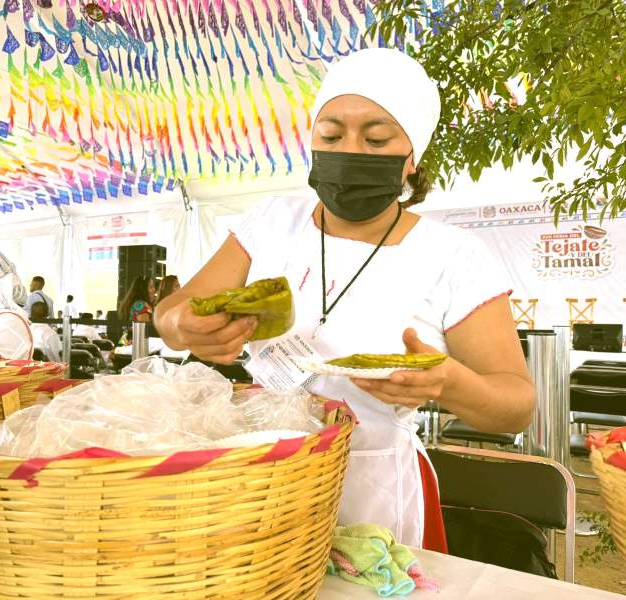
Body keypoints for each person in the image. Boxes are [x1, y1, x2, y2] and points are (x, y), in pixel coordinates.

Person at [155, 49, 535, 552]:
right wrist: (184, 326)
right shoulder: (272, 223)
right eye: (331, 135)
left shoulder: (454, 254)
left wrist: (449, 382)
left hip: (375, 490)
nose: (350, 150)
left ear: (412, 156)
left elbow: (515, 407)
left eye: (377, 139)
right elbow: (173, 311)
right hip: (263, 480)